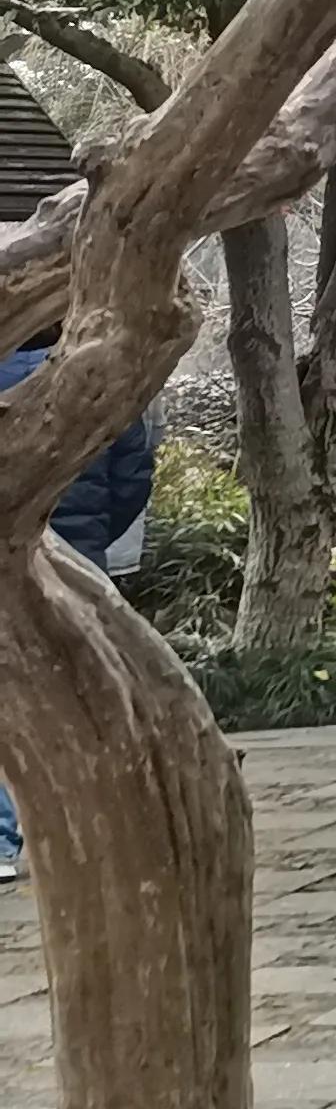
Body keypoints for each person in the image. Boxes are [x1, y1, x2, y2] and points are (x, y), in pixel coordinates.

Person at [0, 335, 158, 889]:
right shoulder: (101, 374)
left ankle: (0, 836)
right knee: (85, 696)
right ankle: (99, 832)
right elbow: (133, 475)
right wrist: (92, 539)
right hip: (78, 556)